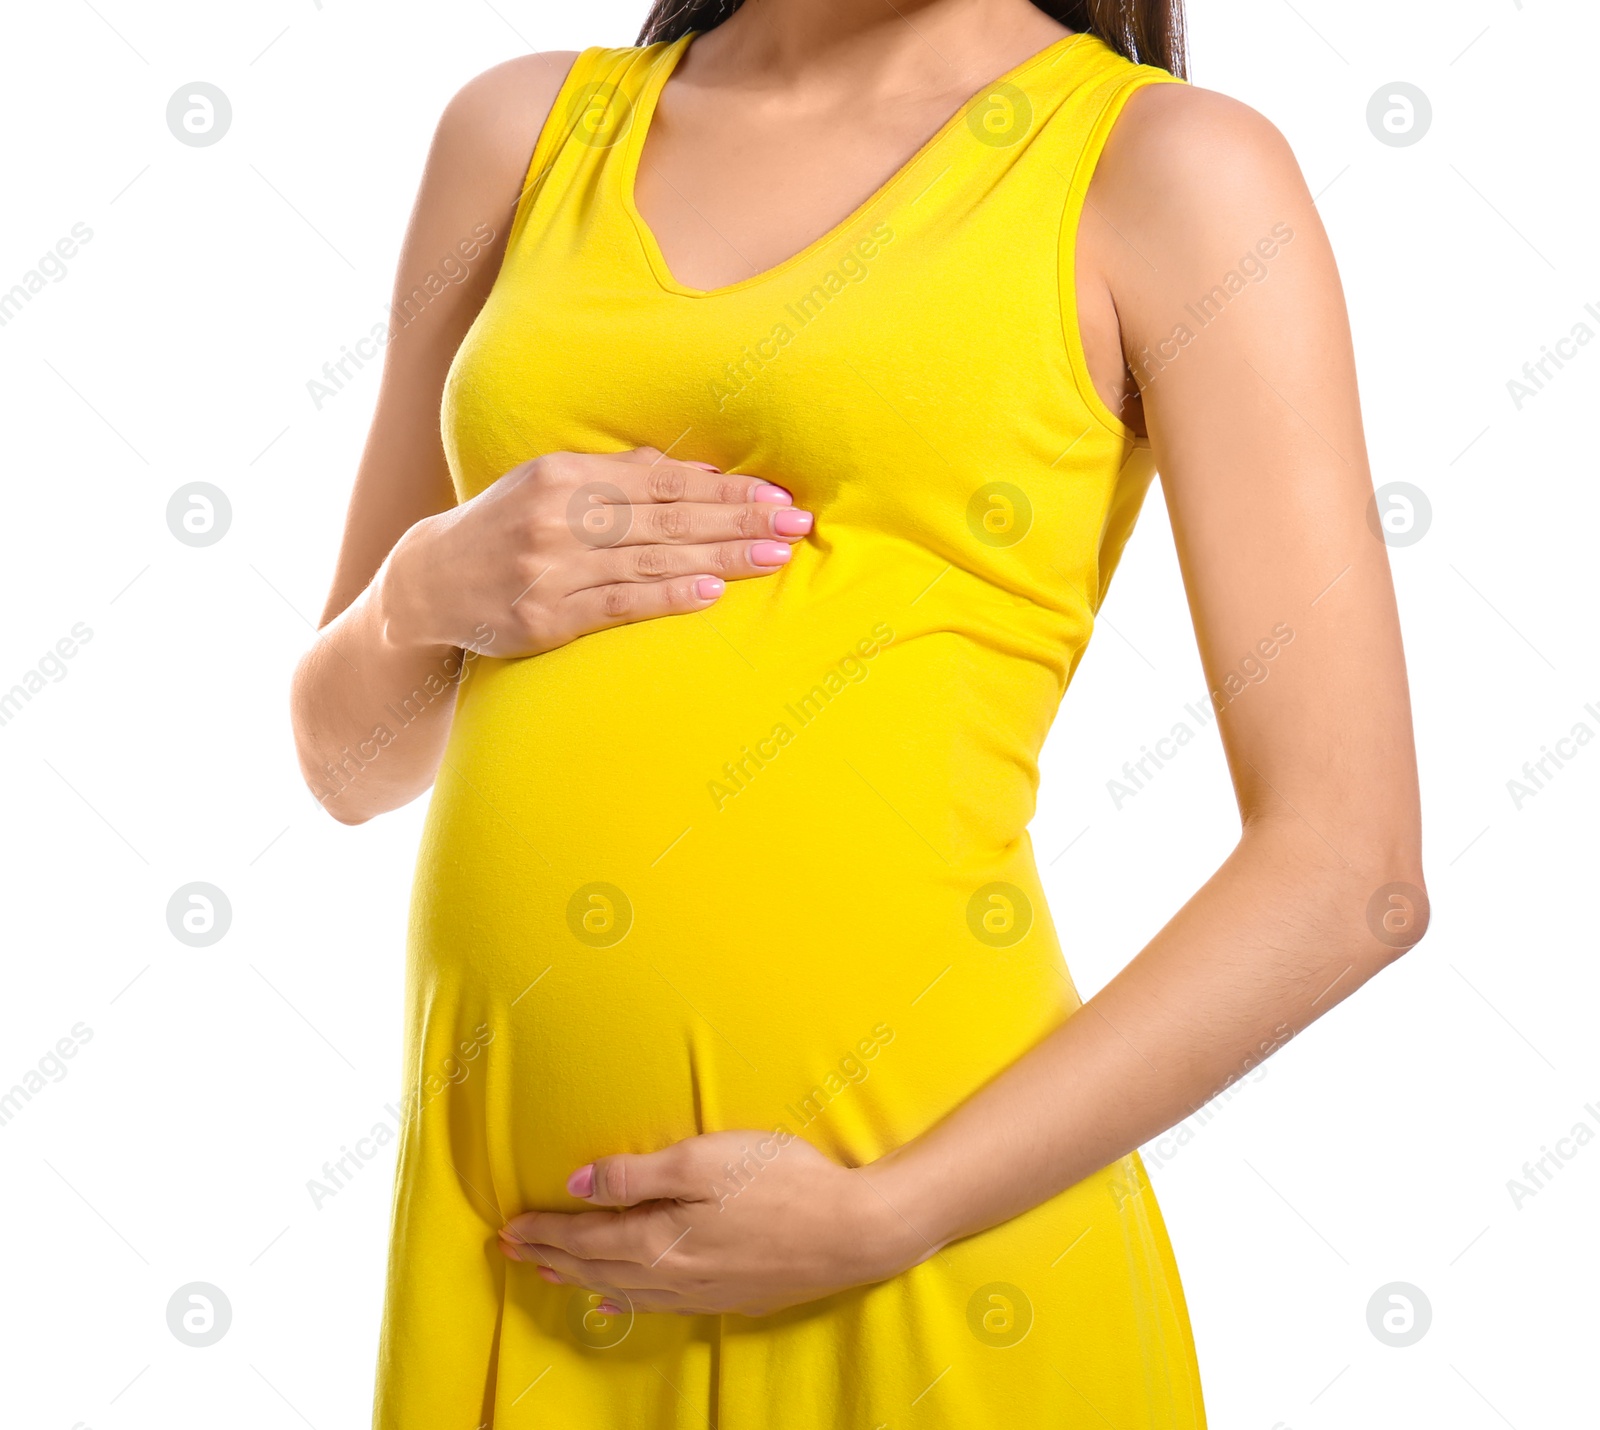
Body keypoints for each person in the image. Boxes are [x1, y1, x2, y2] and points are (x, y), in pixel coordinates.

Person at [289, 0, 1428, 1424]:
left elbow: (1350, 874)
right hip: (521, 1277)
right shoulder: (516, 140)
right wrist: (417, 594)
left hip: (923, 1272)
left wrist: (894, 1210)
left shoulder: (1170, 175)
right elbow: (350, 764)